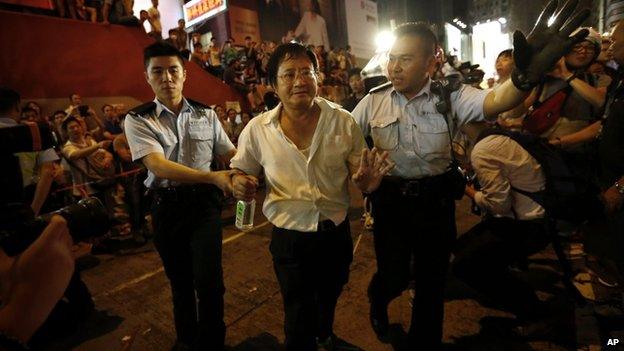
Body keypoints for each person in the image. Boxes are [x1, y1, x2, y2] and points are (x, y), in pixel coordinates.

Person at [351, 2, 590, 347]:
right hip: (390, 202)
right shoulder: (373, 101)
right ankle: (379, 300)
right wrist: (361, 178)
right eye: (392, 58)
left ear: (432, 60)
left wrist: (522, 78)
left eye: (405, 59)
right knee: (395, 274)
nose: (394, 67)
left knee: (431, 283)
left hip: (435, 203)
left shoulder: (451, 96)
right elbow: (344, 140)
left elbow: (494, 101)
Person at [230, 42, 392, 351]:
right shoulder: (257, 130)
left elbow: (363, 176)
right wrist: (240, 183)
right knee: (297, 311)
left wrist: (369, 183)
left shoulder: (343, 121)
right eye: (289, 74)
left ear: (318, 77)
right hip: (289, 238)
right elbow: (240, 169)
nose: (300, 81)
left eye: (307, 72)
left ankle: (324, 333)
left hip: (335, 234)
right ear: (273, 85)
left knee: (330, 293)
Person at [123, 42, 235, 351]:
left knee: (210, 282)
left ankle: (214, 342)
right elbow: (157, 165)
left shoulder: (206, 114)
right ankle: (187, 340)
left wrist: (251, 167)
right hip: (167, 208)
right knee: (181, 283)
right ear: (147, 77)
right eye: (157, 71)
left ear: (185, 74)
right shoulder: (138, 119)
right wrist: (214, 176)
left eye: (173, 70)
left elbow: (229, 153)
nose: (167, 78)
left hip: (204, 208)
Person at [453, 128, 552, 336]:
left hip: (529, 225)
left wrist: (469, 191)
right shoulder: (497, 134)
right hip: (542, 214)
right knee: (462, 247)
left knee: (465, 266)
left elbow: (499, 205)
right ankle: (503, 282)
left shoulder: (481, 151)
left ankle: (534, 314)